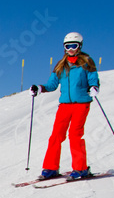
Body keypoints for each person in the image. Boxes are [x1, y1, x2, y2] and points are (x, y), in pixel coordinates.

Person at [30, 31, 101, 180]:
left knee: (75, 135)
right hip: (65, 106)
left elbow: (93, 78)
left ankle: (81, 169)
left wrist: (94, 87)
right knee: (56, 136)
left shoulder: (87, 62)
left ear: (79, 46)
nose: (70, 49)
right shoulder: (61, 65)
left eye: (73, 46)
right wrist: (40, 88)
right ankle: (51, 168)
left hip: (81, 104)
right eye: (67, 46)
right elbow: (52, 85)